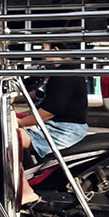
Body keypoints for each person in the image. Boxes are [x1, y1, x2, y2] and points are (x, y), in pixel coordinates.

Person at [16, 47, 89, 206]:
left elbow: (49, 112)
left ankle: (26, 191)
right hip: (57, 125)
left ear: (56, 49)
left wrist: (19, 122)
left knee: (10, 138)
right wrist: (13, 100)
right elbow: (38, 93)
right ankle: (31, 174)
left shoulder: (65, 75)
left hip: (62, 130)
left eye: (44, 48)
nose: (41, 52)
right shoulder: (58, 71)